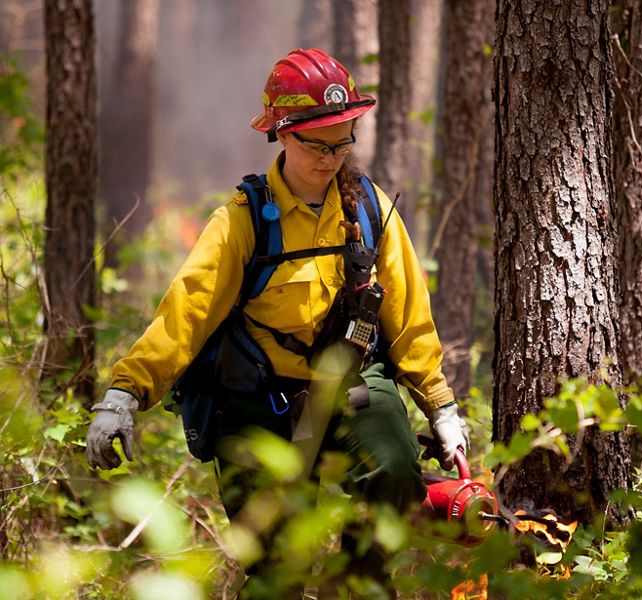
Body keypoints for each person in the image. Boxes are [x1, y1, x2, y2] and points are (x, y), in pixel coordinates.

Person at [86, 48, 468, 595]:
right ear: (281, 134)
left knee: (394, 475)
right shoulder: (241, 221)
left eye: (343, 140)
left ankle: (359, 585)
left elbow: (408, 316)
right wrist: (123, 395)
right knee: (277, 569)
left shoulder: (369, 210)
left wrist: (442, 408)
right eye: (317, 143)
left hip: (350, 386)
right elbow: (185, 314)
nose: (332, 156)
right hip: (255, 398)